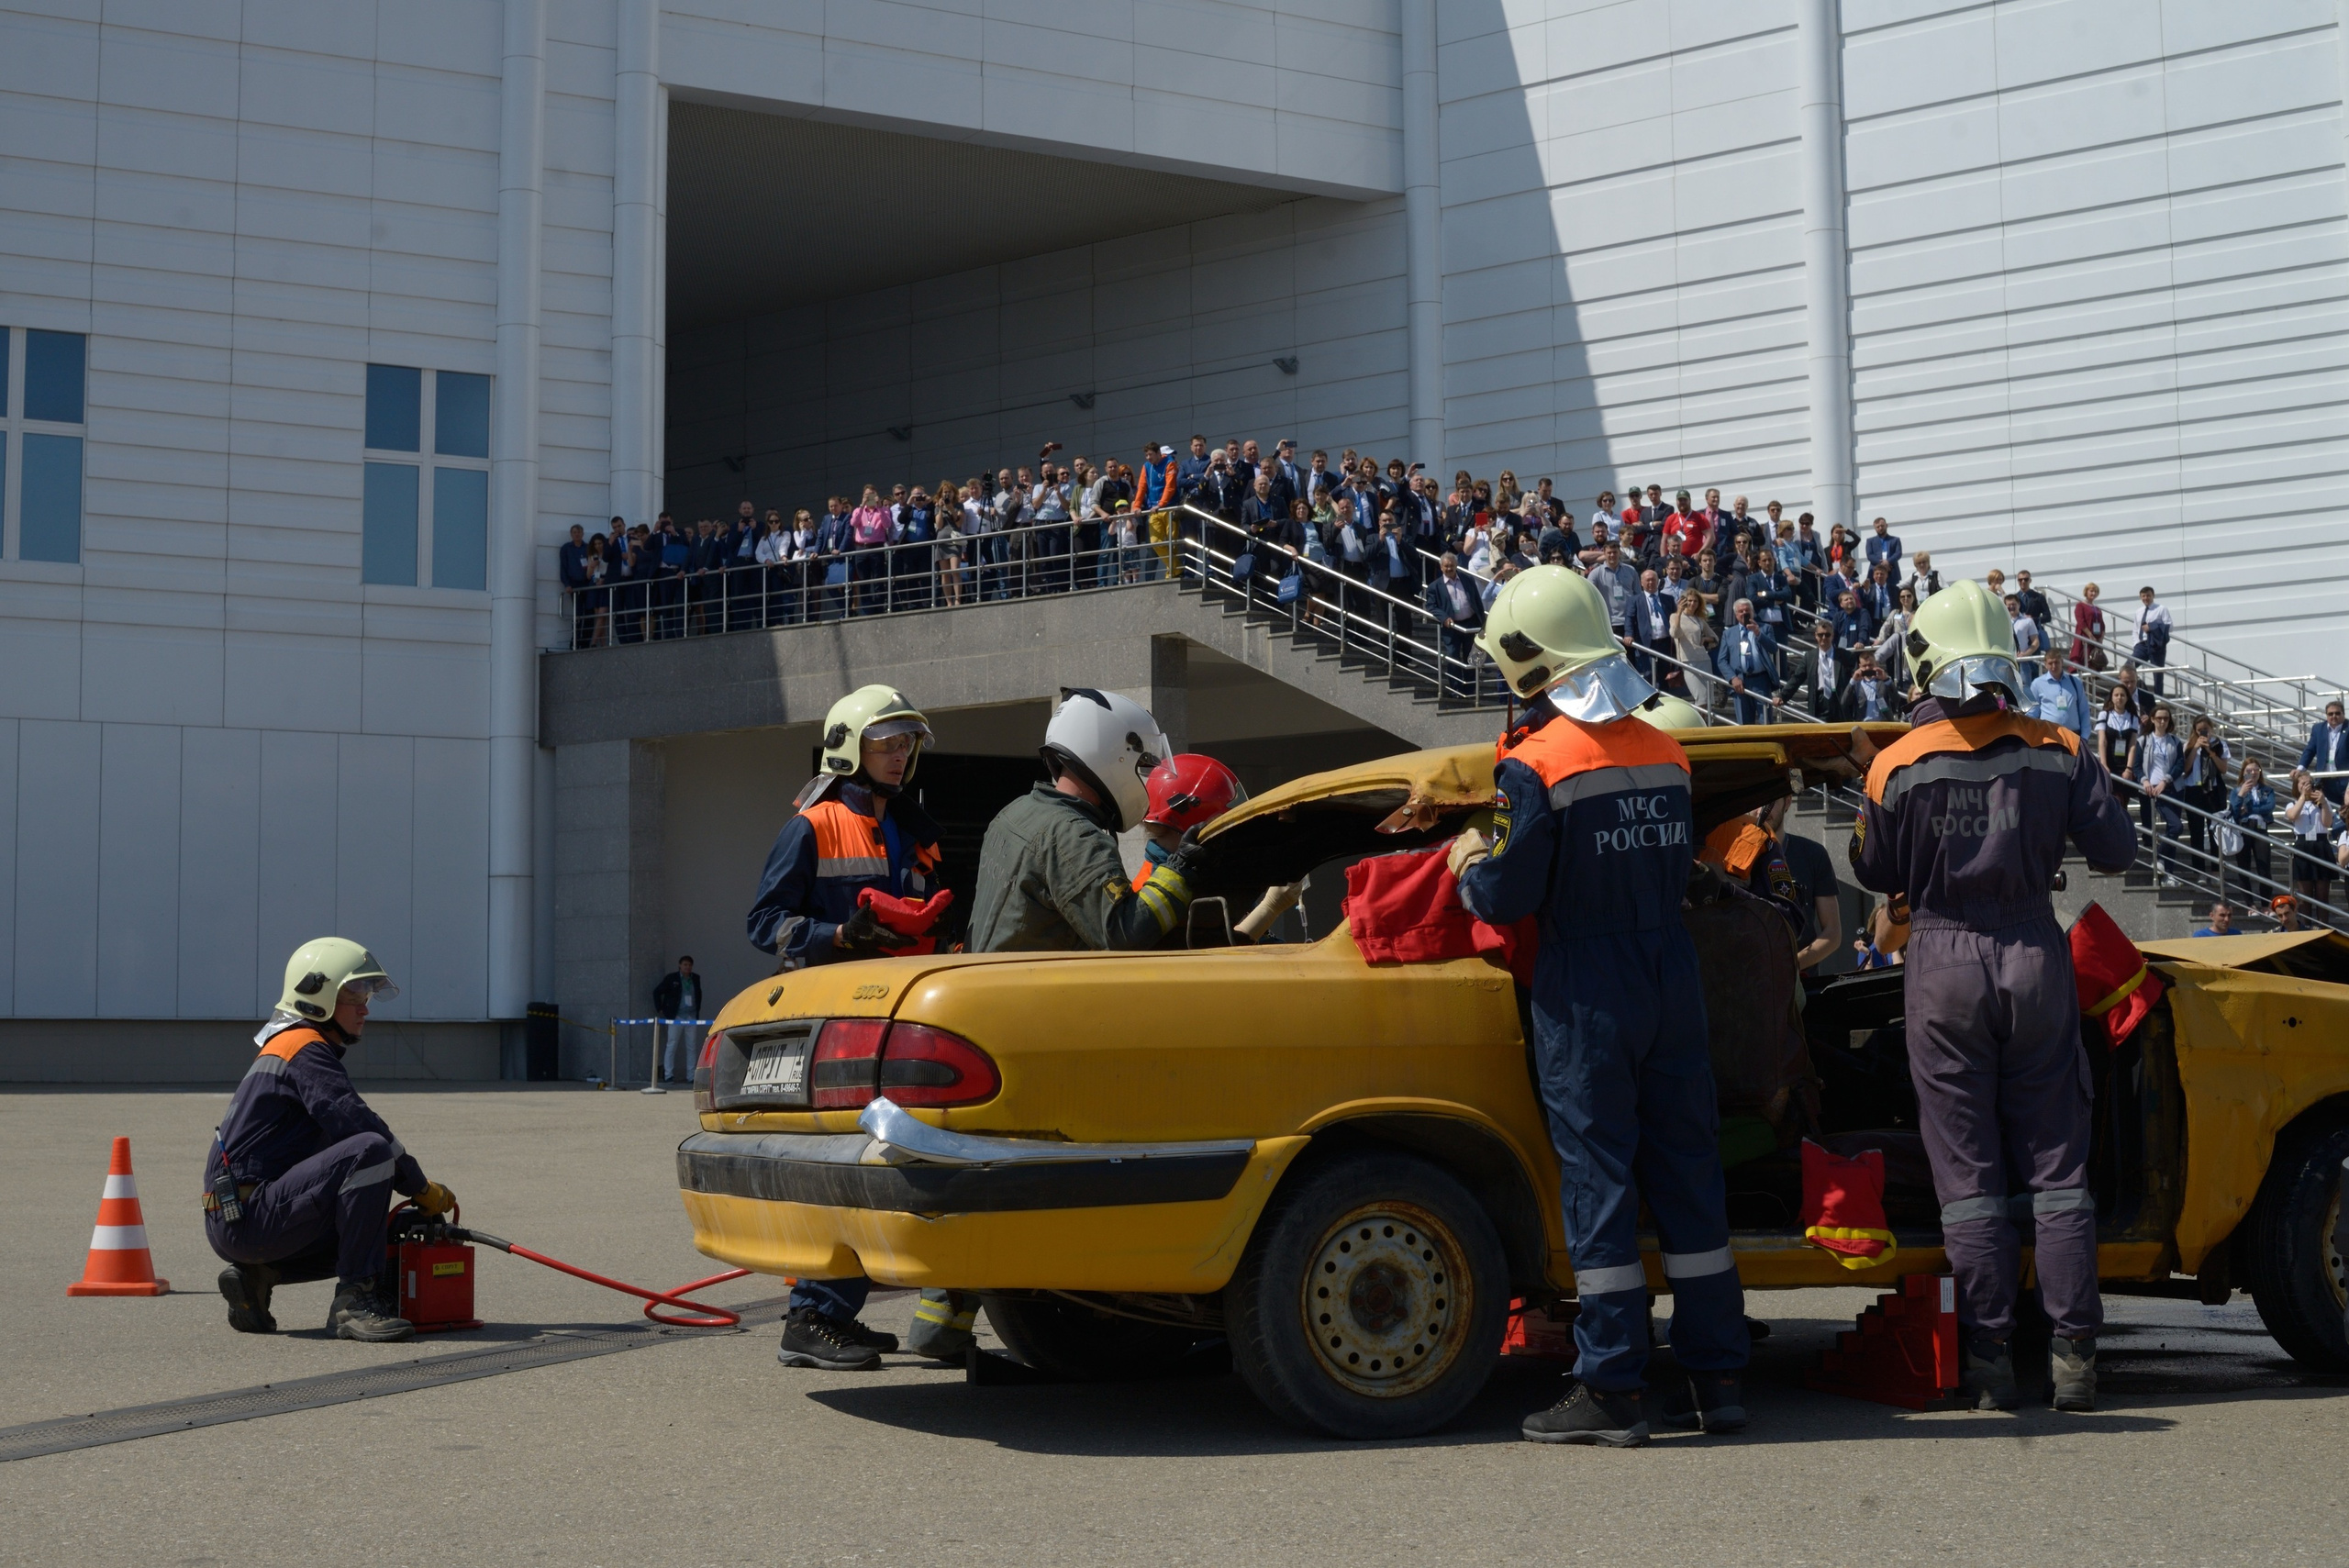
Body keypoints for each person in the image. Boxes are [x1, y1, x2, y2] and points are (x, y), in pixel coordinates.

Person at [1453, 564, 1749, 1447]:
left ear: (1525, 659)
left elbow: (1506, 897)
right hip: (1669, 973)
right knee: (1691, 1172)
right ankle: (1718, 1375)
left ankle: (1614, 1385)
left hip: (1588, 989)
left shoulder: (1533, 763)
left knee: (1601, 1183)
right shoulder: (1667, 748)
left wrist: (1468, 860)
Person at [1848, 577, 2136, 1414]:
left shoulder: (1898, 763)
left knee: (1968, 1176)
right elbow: (2114, 850)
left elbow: (1873, 871)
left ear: (1926, 665)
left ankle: (1991, 1363)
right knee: (2057, 1167)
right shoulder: (2061, 747)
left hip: (1942, 961)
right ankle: (2076, 1357)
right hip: (2034, 955)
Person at [747, 685, 951, 1372]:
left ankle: (838, 1312)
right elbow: (763, 923)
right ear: (849, 746)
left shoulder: (911, 825)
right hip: (838, 1021)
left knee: (894, 1163)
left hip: (897, 1016)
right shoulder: (812, 824)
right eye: (885, 743)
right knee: (856, 1167)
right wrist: (840, 934)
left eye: (905, 744)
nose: (898, 756)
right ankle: (812, 1316)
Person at [204, 939, 445, 1342]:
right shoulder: (304, 1047)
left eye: (367, 995)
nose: (365, 1007)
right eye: (354, 995)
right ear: (316, 998)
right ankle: (353, 1304)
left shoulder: (291, 1047)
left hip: (239, 1218)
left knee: (385, 1227)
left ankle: (260, 1277)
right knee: (370, 1150)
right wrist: (419, 1185)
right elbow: (356, 1122)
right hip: (251, 1218)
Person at [967, 688, 1202, 954]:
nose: (1146, 776)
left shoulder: (1016, 812)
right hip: (1035, 992)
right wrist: (1181, 868)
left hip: (992, 980)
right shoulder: (1075, 837)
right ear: (1114, 754)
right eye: (1144, 763)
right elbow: (1124, 935)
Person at [1758, 796, 1842, 976]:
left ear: (1787, 802)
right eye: (1755, 801)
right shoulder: (1733, 855)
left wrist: (1792, 965)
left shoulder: (1813, 854)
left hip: (1802, 983)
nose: (1762, 809)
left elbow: (1833, 933)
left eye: (1770, 801)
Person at [2132, 706, 2185, 886]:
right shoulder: (2144, 740)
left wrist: (2166, 781)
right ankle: (2160, 859)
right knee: (2176, 826)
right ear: (2153, 719)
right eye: (2159, 718)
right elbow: (2137, 766)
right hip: (2153, 789)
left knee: (2174, 829)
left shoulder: (2175, 741)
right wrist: (2145, 781)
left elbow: (2180, 765)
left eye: (2166, 719)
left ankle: (2168, 872)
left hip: (2171, 788)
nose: (2163, 722)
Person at [1715, 598, 1779, 724]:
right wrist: (1732, 678)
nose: (1744, 613)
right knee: (1744, 723)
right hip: (1740, 682)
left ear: (1753, 612)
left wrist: (1758, 633)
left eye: (1747, 610)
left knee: (1765, 721)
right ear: (1736, 615)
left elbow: (1773, 648)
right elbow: (1721, 660)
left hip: (1761, 681)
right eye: (1741, 611)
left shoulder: (1765, 628)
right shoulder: (1729, 634)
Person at [2282, 767, 2336, 907]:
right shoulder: (2292, 803)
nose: (2306, 786)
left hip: (2321, 843)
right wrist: (2303, 796)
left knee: (2322, 896)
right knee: (2304, 897)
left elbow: (2327, 822)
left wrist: (2323, 802)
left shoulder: (2321, 802)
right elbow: (2293, 815)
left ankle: (2323, 926)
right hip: (2303, 844)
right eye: (2302, 783)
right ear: (2297, 786)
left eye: (2309, 783)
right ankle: (2307, 926)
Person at [651, 957, 703, 1086]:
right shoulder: (672, 978)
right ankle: (668, 1075)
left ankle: (691, 1076)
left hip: (691, 1016)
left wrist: (696, 1011)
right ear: (679, 965)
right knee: (672, 1044)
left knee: (691, 1046)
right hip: (676, 1017)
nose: (687, 967)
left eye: (690, 965)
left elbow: (698, 995)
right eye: (685, 965)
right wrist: (661, 1008)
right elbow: (657, 992)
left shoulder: (695, 978)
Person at [2027, 643, 2091, 743]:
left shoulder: (2075, 682)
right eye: (2050, 663)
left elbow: (2084, 711)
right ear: (2045, 664)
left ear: (2062, 662)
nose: (2054, 666)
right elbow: (2033, 713)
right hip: (2049, 736)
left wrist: (2084, 737)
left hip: (2074, 736)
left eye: (2056, 662)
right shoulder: (2037, 684)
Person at [2228, 759, 2275, 886]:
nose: (2253, 773)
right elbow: (2235, 811)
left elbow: (2269, 807)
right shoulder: (2236, 791)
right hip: (2243, 828)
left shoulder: (2267, 790)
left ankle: (2265, 904)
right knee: (2244, 868)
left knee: (2264, 868)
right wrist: (2241, 794)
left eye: (2256, 770)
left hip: (2260, 828)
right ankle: (2250, 904)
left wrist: (2249, 809)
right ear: (2243, 773)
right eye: (2249, 770)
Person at [2299, 699, 2349, 806]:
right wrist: (2300, 768)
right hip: (2325, 782)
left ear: (2343, 714)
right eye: (2330, 714)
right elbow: (2310, 749)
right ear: (2326, 715)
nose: (2334, 716)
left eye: (2337, 713)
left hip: (2346, 781)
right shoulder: (2318, 729)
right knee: (2328, 815)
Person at [2132, 586, 2173, 694]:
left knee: (2158, 675)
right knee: (2129, 666)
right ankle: (2131, 693)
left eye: (2148, 595)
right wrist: (2136, 644)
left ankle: (2159, 700)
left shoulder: (2161, 609)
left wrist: (2152, 626)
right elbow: (2135, 629)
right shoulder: (2138, 611)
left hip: (2156, 644)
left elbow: (2169, 626)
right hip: (2142, 645)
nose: (2146, 598)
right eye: (2143, 596)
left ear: (2153, 596)